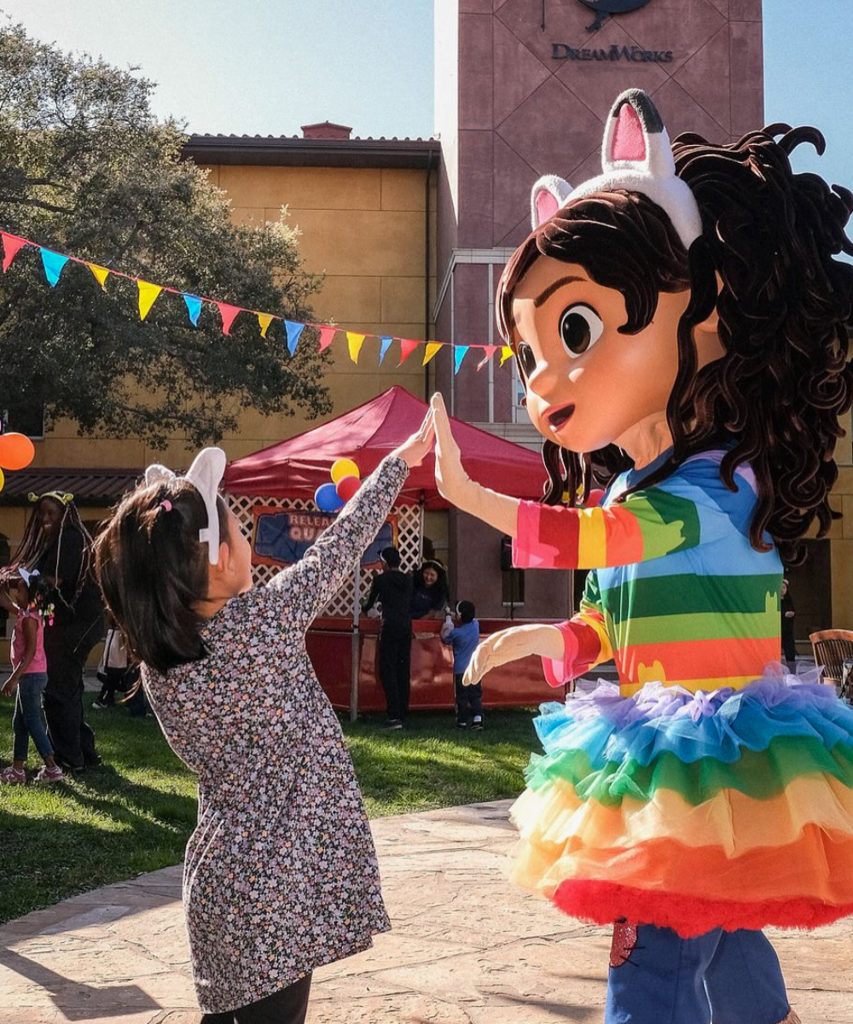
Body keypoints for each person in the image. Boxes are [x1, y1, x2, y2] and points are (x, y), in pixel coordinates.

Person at [432, 88, 853, 1024]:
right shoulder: (634, 486)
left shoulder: (713, 485)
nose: (542, 384)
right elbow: (608, 612)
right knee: (719, 923)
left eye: (574, 330)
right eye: (530, 354)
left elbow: (607, 540)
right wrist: (551, 639)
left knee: (654, 955)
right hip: (678, 753)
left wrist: (474, 498)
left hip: (709, 754)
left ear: (704, 314)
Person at [94, 411, 434, 1024]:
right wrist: (398, 463)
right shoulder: (263, 625)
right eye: (240, 527)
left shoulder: (160, 665)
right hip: (276, 894)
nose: (248, 539)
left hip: (222, 888)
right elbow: (339, 547)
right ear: (221, 558)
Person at [8, 492, 104, 771]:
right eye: (41, 514)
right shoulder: (57, 540)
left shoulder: (70, 538)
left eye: (51, 513)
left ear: (65, 513)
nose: (45, 519)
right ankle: (84, 753)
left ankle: (68, 759)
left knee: (59, 688)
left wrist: (15, 580)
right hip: (68, 623)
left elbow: (51, 581)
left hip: (78, 624)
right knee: (68, 686)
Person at [0, 568, 63, 783]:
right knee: (20, 723)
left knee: (32, 722)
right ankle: (17, 770)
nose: (16, 594)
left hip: (30, 676)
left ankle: (52, 767)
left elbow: (29, 654)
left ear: (31, 596)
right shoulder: (27, 614)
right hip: (31, 676)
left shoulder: (29, 620)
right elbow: (5, 602)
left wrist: (13, 678)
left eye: (20, 591)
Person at [363, 546, 413, 729]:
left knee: (388, 669)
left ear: (384, 562)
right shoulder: (408, 579)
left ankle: (393, 715)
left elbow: (369, 603)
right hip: (406, 626)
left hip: (390, 626)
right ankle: (403, 713)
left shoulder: (381, 580)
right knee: (403, 669)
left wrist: (365, 609)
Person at [441, 600, 482, 729]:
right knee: (475, 695)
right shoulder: (475, 625)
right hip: (475, 668)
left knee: (462, 696)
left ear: (459, 617)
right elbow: (466, 618)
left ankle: (462, 721)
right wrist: (452, 614)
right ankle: (477, 719)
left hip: (461, 670)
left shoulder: (456, 633)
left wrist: (448, 618)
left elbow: (445, 637)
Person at [92, 616, 129, 710]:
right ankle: (103, 699)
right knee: (113, 674)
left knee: (117, 674)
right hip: (117, 639)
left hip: (119, 638)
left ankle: (108, 699)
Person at [781, 579, 797, 671]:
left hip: (788, 631)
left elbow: (793, 610)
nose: (782, 590)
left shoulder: (789, 600)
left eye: (784, 587)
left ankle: (791, 672)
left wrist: (792, 614)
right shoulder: (774, 600)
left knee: (790, 652)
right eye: (780, 588)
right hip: (777, 631)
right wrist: (784, 614)